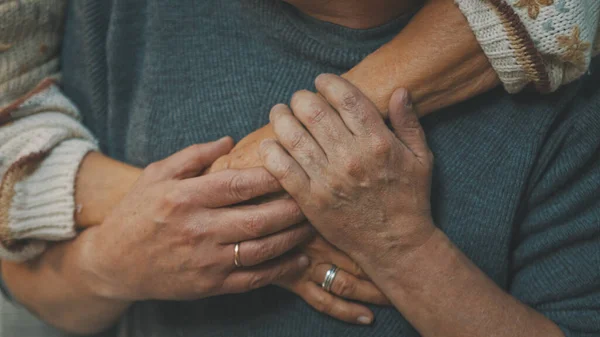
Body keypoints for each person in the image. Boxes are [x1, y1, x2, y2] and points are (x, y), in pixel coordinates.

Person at [0, 0, 598, 336]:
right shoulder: (130, 16)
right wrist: (118, 264)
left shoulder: (566, 103)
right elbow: (38, 290)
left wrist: (405, 251)